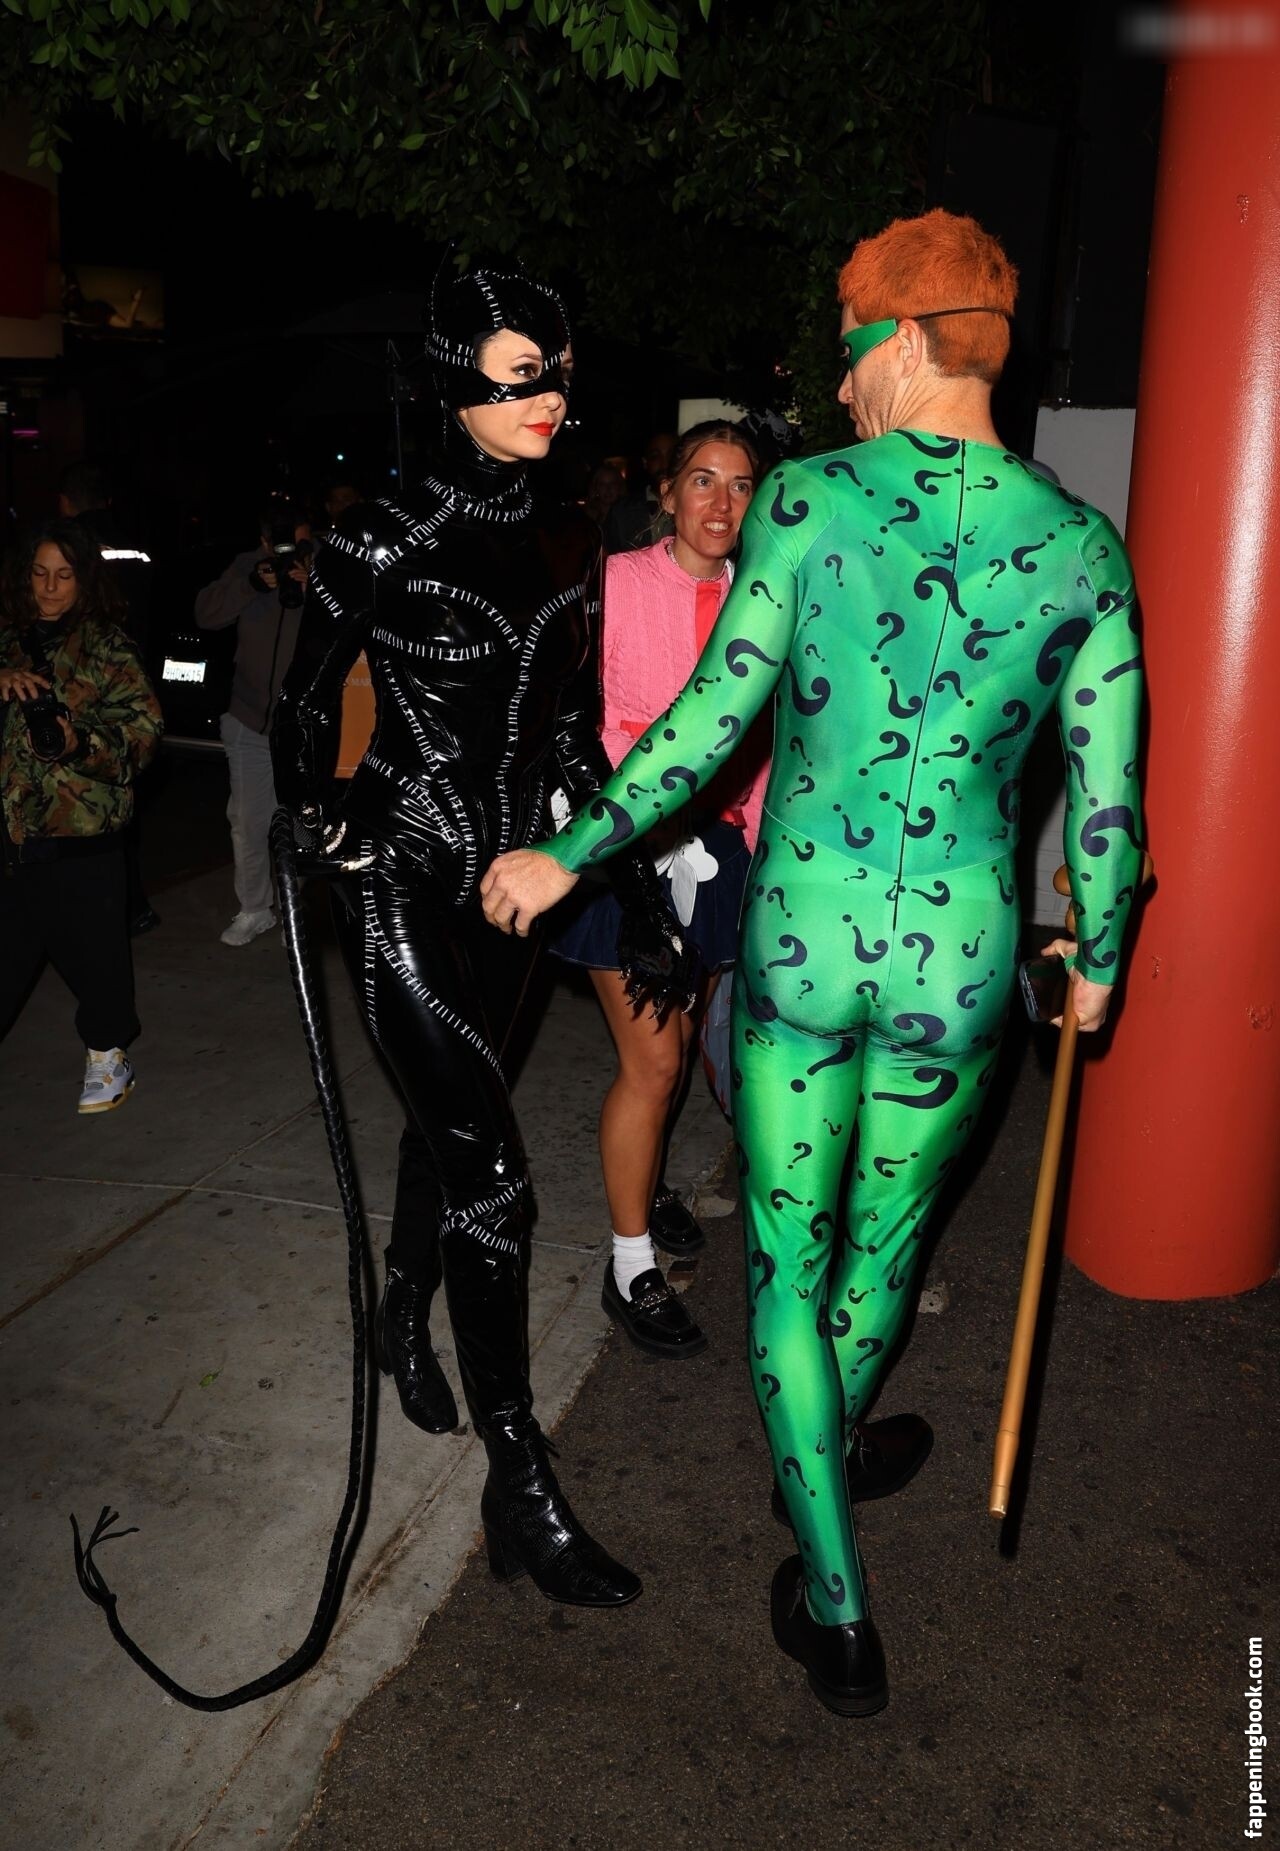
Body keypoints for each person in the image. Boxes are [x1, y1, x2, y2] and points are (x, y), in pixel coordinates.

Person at [480, 208, 1144, 1712]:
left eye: (848, 353)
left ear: (904, 342)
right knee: (882, 1251)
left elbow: (710, 720)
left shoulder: (811, 503)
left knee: (789, 1256)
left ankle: (832, 1595)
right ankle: (821, 1454)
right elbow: (1109, 802)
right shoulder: (1081, 547)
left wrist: (567, 849)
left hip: (806, 939)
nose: (839, 387)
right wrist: (1096, 950)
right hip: (959, 957)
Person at [272, 259, 693, 1610]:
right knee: (496, 1177)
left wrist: (619, 870)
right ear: (453, 381)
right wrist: (321, 823)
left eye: (558, 371)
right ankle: (522, 1480)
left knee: (454, 1125)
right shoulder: (381, 535)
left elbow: (566, 731)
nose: (547, 394)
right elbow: (301, 704)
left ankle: (402, 1306)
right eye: (520, 373)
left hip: (516, 886)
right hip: (398, 871)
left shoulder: (571, 535)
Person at [550, 420, 770, 1359]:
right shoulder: (613, 583)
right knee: (654, 1063)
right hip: (623, 845)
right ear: (668, 492)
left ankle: (653, 1186)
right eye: (703, 480)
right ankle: (629, 1262)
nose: (722, 502)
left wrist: (750, 834)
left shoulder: (765, 597)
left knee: (678, 1046)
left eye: (741, 484)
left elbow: (770, 733)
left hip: (720, 850)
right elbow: (581, 715)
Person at [0, 519, 162, 1111]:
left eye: (64, 575)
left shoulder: (108, 648)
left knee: (97, 960)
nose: (49, 587)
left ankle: (107, 1055)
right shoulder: (6, 641)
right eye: (39, 573)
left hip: (83, 833)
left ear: (85, 579)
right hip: (12, 833)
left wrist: (78, 743)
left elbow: (143, 737)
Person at [195, 501, 312, 946]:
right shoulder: (248, 566)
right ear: (264, 542)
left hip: (304, 725)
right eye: (279, 545)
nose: (290, 553)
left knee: (303, 823)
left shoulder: (327, 563)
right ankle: (255, 909)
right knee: (247, 820)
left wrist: (316, 585)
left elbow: (363, 618)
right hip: (248, 719)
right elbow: (206, 614)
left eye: (299, 542)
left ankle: (295, 911)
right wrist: (250, 585)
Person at [56, 459, 160, 936]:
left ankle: (108, 911)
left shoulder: (69, 545)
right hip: (131, 679)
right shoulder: (134, 542)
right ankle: (129, 906)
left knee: (87, 805)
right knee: (120, 802)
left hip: (88, 686)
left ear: (66, 502)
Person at [602, 429, 676, 553]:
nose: (664, 464)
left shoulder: (697, 507)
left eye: (671, 455)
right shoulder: (622, 512)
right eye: (655, 456)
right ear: (645, 462)